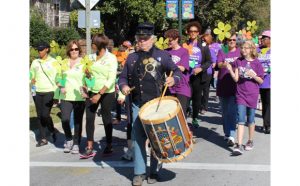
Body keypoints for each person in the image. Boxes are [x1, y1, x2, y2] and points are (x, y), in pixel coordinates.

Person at [119, 22, 181, 186]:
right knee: (138, 138)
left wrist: (173, 79)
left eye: (145, 39)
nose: (141, 42)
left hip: (158, 105)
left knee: (157, 139)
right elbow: (123, 78)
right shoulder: (131, 58)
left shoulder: (162, 56)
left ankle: (154, 170)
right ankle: (139, 173)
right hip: (138, 105)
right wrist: (123, 86)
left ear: (152, 39)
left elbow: (177, 71)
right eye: (139, 39)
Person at [80, 34, 118, 159]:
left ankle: (109, 144)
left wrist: (99, 94)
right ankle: (89, 146)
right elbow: (86, 72)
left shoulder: (111, 58)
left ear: (99, 44)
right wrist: (86, 75)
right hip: (92, 91)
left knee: (106, 118)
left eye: (93, 42)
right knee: (90, 118)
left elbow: (111, 78)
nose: (91, 44)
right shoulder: (90, 57)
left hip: (106, 92)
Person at [226, 40, 264, 155]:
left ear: (252, 49)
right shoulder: (239, 61)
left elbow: (261, 81)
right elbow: (236, 79)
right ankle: (238, 144)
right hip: (240, 93)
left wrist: (254, 76)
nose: (243, 50)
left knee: (251, 119)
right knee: (241, 118)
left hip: (252, 94)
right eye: (242, 48)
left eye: (246, 48)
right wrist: (230, 71)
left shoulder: (257, 63)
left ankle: (250, 140)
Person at [58, 40, 86, 154]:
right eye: (72, 49)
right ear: (68, 50)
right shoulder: (63, 62)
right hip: (65, 95)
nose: (74, 51)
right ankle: (69, 139)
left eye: (76, 49)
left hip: (79, 96)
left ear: (79, 50)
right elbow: (58, 76)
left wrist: (87, 86)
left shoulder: (84, 62)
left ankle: (76, 143)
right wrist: (60, 86)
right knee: (65, 119)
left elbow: (90, 78)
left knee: (78, 121)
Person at [182, 21, 212, 127]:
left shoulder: (203, 45)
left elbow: (209, 61)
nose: (193, 33)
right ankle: (184, 118)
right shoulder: (184, 45)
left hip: (198, 77)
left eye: (195, 31)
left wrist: (201, 68)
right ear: (188, 32)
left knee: (197, 98)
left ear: (198, 32)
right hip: (186, 76)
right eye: (191, 31)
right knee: (185, 98)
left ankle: (195, 117)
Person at [30, 41, 60, 147]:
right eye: (38, 49)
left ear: (47, 49)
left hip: (49, 91)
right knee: (39, 116)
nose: (39, 51)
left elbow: (58, 77)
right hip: (37, 91)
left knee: (45, 115)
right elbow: (31, 74)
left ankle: (51, 130)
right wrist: (31, 79)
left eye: (41, 49)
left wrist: (57, 93)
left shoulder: (54, 62)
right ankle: (43, 138)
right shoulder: (35, 62)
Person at [216, 32, 241, 146]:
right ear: (226, 41)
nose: (231, 42)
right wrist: (224, 64)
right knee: (225, 112)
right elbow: (219, 64)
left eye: (234, 40)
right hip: (223, 84)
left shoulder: (240, 51)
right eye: (229, 40)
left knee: (232, 111)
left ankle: (232, 135)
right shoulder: (223, 51)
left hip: (235, 85)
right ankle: (227, 134)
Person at [164, 28, 191, 117]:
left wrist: (171, 66)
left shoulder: (184, 51)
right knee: (169, 113)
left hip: (181, 85)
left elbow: (183, 68)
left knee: (181, 113)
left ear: (176, 39)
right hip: (169, 85)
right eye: (167, 40)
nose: (169, 42)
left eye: (171, 40)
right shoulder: (165, 52)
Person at [199, 34, 217, 115]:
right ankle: (197, 105)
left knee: (205, 90)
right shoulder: (198, 49)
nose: (203, 41)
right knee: (198, 90)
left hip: (207, 72)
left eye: (205, 40)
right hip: (198, 71)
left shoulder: (211, 50)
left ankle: (204, 107)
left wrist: (213, 64)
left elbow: (214, 62)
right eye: (202, 40)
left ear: (208, 41)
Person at [258, 30, 271, 134]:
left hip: (271, 81)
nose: (262, 40)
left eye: (264, 38)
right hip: (261, 82)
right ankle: (265, 123)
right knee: (264, 103)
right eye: (262, 38)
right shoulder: (259, 50)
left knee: (269, 103)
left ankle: (268, 125)